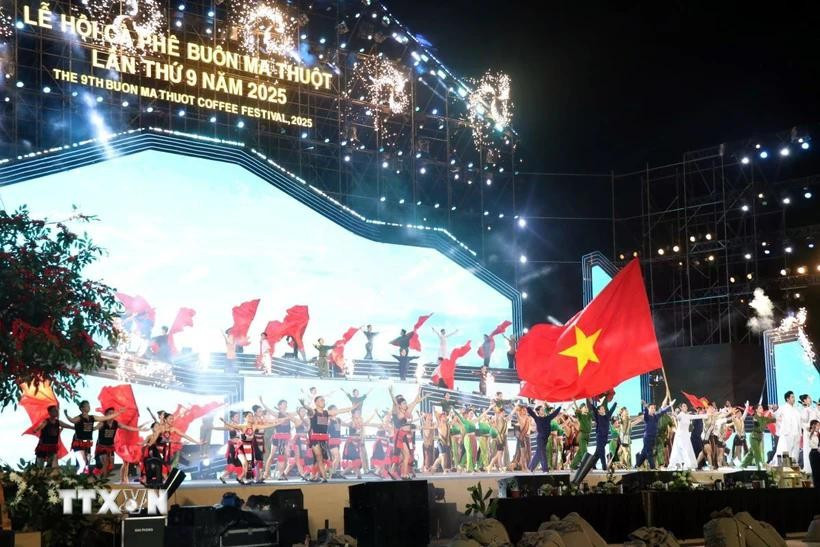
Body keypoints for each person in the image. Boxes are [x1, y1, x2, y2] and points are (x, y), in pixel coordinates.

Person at [300, 396, 352, 482]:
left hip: (324, 438)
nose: (323, 401)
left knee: (322, 459)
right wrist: (304, 405)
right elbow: (309, 409)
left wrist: (353, 407)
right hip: (315, 438)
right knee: (319, 457)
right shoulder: (313, 412)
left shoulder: (326, 413)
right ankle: (324, 478)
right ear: (316, 402)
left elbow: (340, 411)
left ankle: (313, 476)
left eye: (324, 400)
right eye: (321, 400)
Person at [64, 401, 124, 475]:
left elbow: (105, 417)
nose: (88, 407)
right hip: (78, 442)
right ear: (82, 408)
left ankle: (82, 478)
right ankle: (76, 479)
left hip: (87, 443)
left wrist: (118, 413)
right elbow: (72, 420)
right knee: (82, 464)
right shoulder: (79, 418)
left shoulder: (92, 417)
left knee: (86, 465)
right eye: (86, 406)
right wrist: (66, 415)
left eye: (89, 405)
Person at [94, 407, 145, 477]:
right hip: (102, 446)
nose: (112, 415)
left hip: (110, 446)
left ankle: (101, 475)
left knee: (111, 465)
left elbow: (127, 428)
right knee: (105, 463)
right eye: (110, 413)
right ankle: (103, 479)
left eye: (113, 413)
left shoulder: (116, 423)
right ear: (106, 415)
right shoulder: (102, 423)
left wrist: (139, 429)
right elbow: (94, 428)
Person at [388, 387, 423, 479]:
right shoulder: (396, 412)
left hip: (404, 436)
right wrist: (391, 393)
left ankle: (399, 473)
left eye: (406, 403)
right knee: (405, 455)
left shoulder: (405, 412)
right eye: (404, 403)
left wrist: (419, 391)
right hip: (399, 436)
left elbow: (414, 402)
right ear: (399, 405)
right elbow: (394, 402)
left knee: (405, 456)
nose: (406, 404)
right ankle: (403, 474)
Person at [635, 398, 675, 469]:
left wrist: (669, 405)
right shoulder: (647, 417)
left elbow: (663, 411)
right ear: (649, 408)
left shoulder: (656, 417)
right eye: (651, 408)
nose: (653, 409)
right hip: (647, 438)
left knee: (644, 452)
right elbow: (646, 412)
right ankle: (653, 467)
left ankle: (637, 465)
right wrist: (645, 406)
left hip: (653, 438)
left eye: (654, 408)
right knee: (649, 453)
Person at [667, 403, 708, 470]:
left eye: (686, 406)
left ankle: (684, 464)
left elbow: (696, 416)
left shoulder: (688, 415)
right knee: (683, 450)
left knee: (687, 449)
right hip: (680, 436)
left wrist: (706, 415)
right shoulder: (680, 415)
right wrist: (671, 407)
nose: (686, 407)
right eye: (684, 406)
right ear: (681, 408)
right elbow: (677, 417)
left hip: (686, 435)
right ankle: (686, 464)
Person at [526, 404, 562, 472]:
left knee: (538, 453)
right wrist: (527, 406)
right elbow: (531, 412)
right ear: (538, 411)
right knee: (543, 453)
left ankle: (531, 467)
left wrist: (559, 407)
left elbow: (554, 414)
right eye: (542, 409)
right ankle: (545, 470)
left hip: (545, 439)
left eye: (543, 409)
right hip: (540, 438)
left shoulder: (547, 418)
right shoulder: (537, 418)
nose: (543, 410)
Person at [770, 391, 801, 465]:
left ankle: (794, 467)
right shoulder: (783, 407)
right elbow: (775, 415)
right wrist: (774, 410)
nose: (794, 399)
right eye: (792, 397)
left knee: (795, 452)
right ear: (787, 399)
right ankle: (786, 467)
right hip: (788, 433)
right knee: (787, 451)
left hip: (796, 433)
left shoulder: (796, 409)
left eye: (794, 397)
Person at [591, 398, 617, 470]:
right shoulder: (597, 416)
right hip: (599, 436)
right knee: (602, 451)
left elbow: (612, 410)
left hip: (605, 438)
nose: (603, 409)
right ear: (599, 411)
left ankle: (592, 464)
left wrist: (615, 403)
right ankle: (604, 466)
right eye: (601, 408)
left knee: (597, 453)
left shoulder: (607, 416)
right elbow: (593, 408)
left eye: (603, 408)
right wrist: (589, 399)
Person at [799, 395, 819, 473]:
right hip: (809, 433)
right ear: (804, 401)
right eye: (808, 398)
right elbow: (802, 421)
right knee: (808, 449)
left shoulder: (813, 409)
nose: (810, 399)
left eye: (810, 398)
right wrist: (807, 428)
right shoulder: (804, 410)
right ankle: (808, 469)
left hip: (815, 432)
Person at [570, 402, 592, 470]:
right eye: (584, 407)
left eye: (586, 407)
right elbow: (577, 410)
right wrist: (574, 402)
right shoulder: (580, 415)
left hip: (588, 436)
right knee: (584, 451)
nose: (586, 408)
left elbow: (591, 407)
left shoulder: (588, 415)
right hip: (582, 435)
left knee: (580, 452)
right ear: (581, 409)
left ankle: (573, 465)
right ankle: (586, 466)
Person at [807, 419, 819, 487]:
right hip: (814, 453)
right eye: (817, 425)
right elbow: (813, 445)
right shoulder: (811, 434)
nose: (818, 427)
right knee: (816, 473)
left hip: (817, 453)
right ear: (813, 426)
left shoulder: (817, 434)